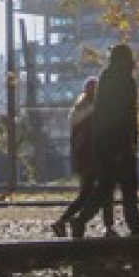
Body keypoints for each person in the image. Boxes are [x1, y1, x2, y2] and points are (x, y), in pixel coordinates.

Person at [70, 44, 139, 238]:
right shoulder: (127, 81)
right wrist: (129, 143)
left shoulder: (105, 77)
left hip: (103, 143)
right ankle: (135, 227)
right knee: (128, 187)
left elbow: (104, 114)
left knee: (104, 188)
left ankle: (80, 221)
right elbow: (127, 115)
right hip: (120, 143)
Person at [52, 78, 116, 237]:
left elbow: (76, 139)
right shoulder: (97, 111)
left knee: (84, 195)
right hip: (97, 157)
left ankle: (61, 221)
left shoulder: (76, 111)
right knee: (106, 192)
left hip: (82, 159)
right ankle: (108, 227)